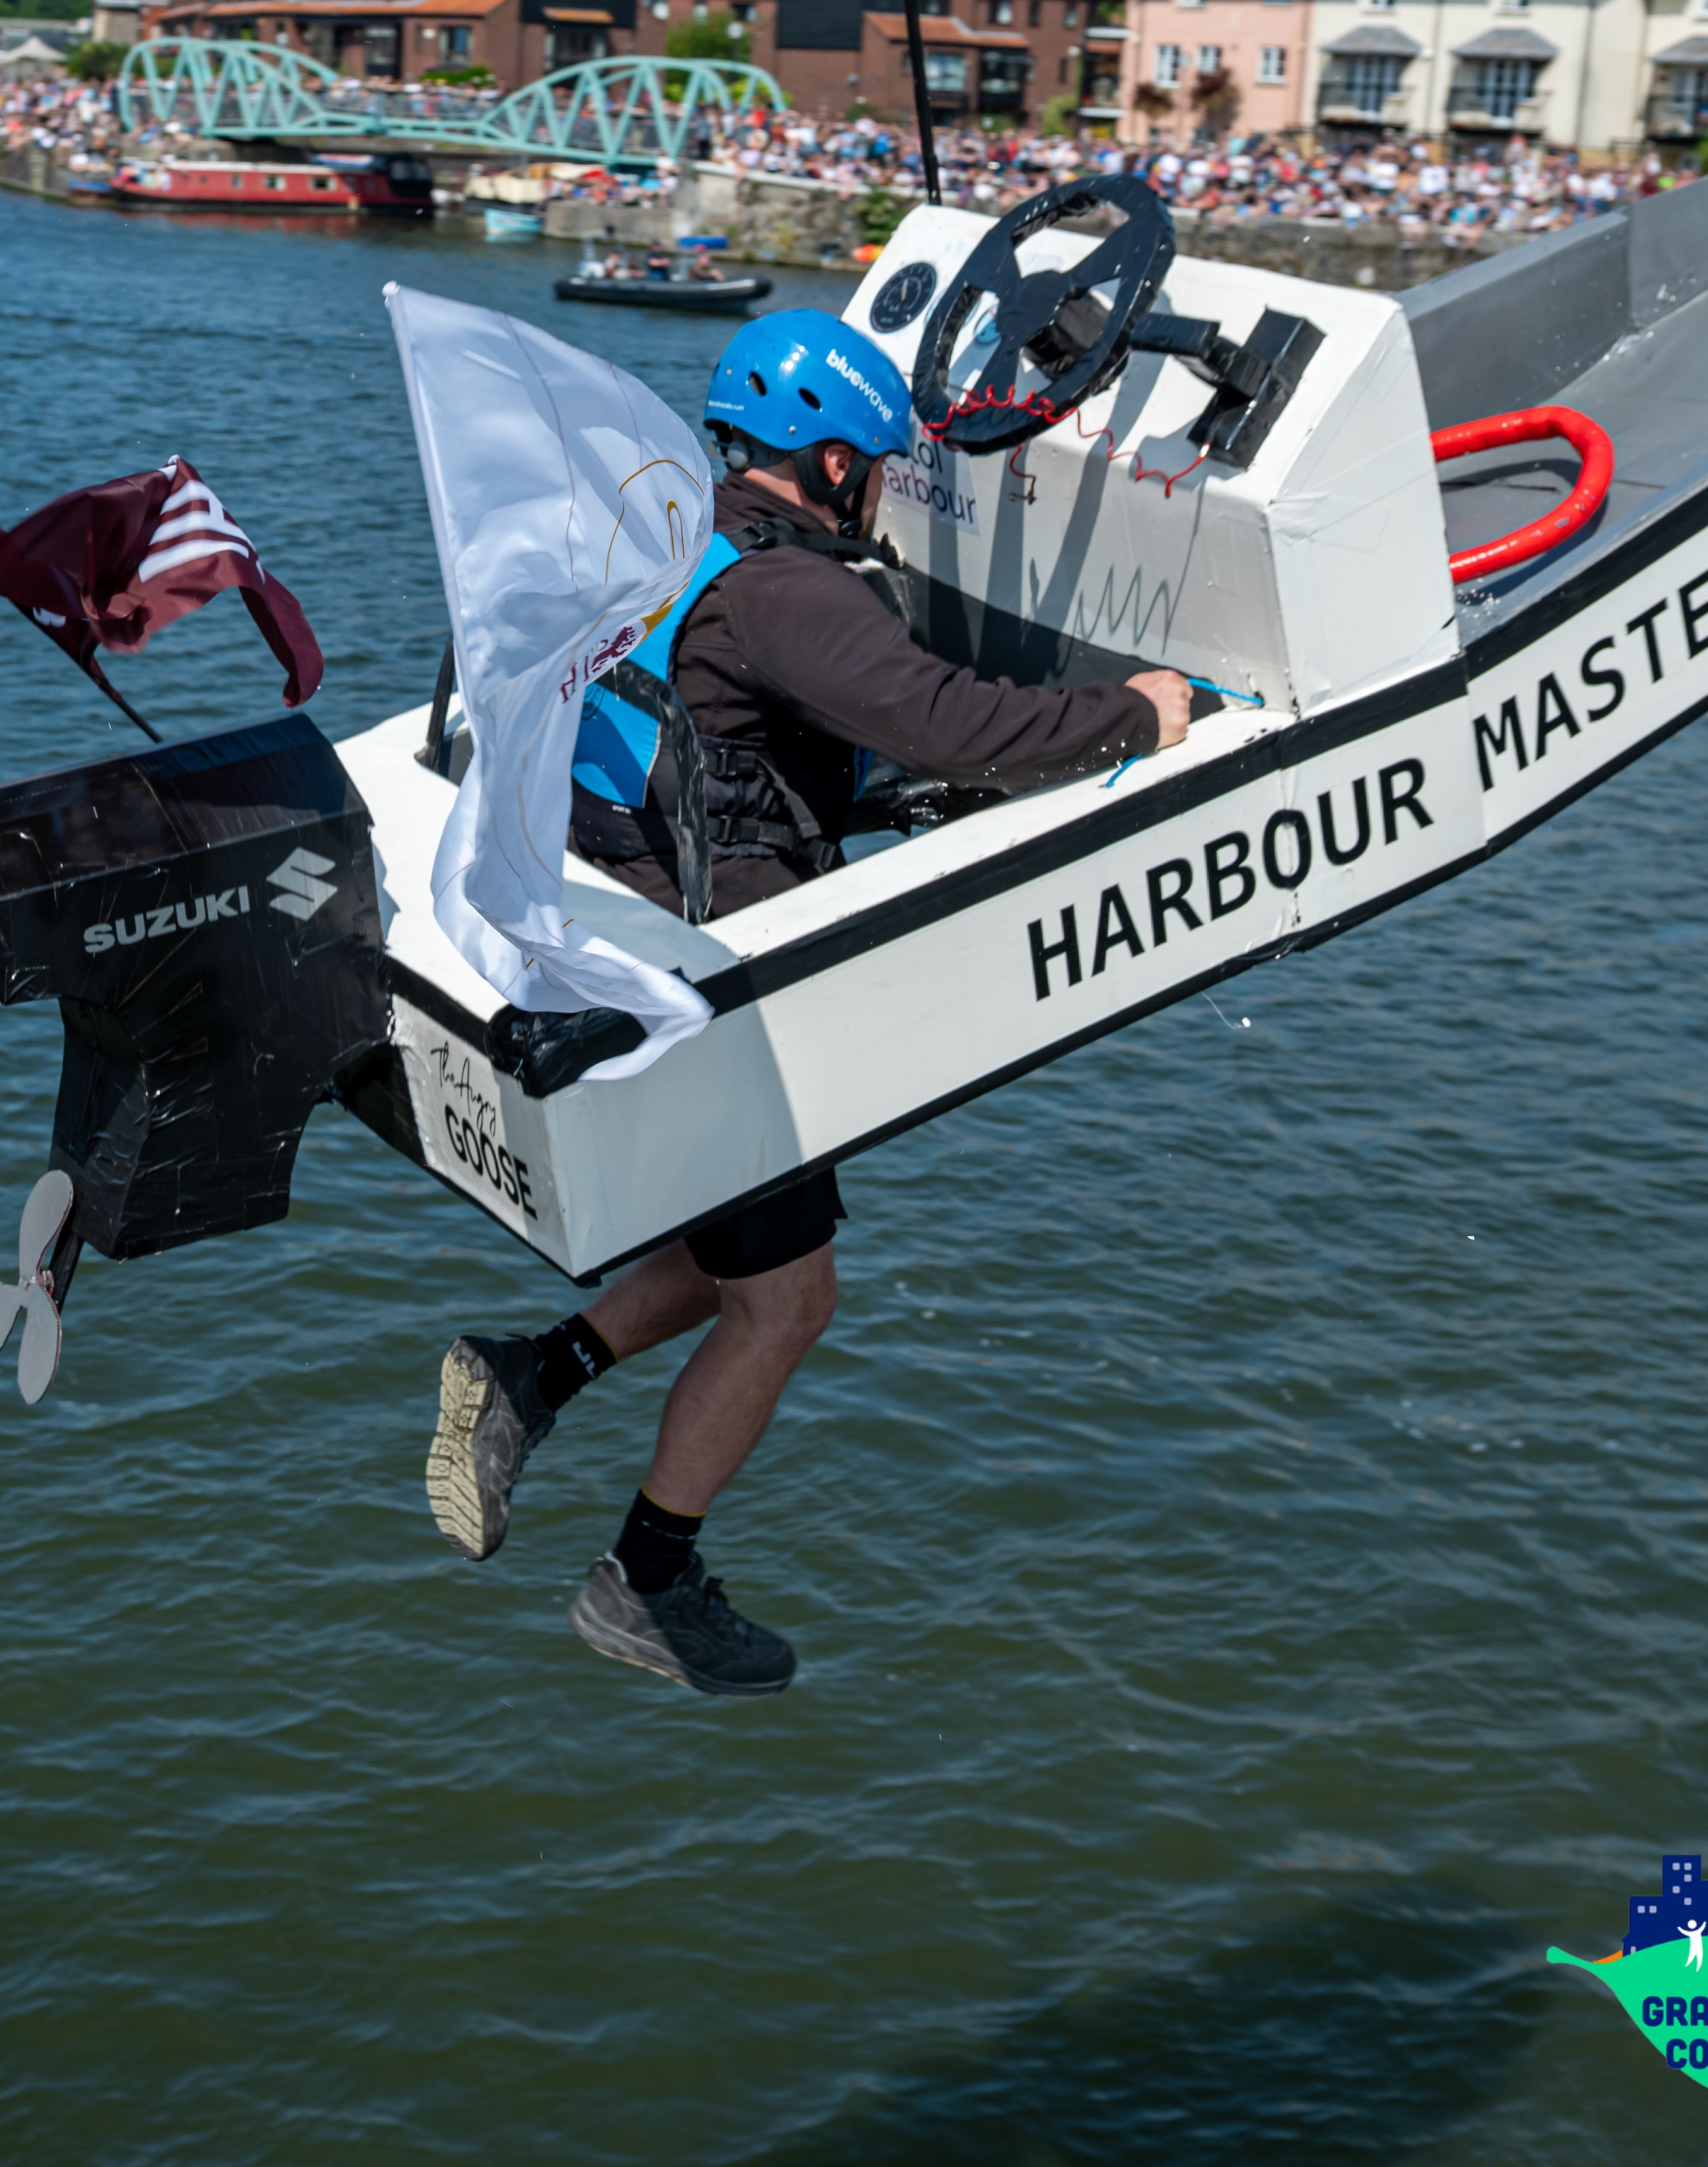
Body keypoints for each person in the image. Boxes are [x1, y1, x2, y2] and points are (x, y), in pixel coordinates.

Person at [425, 310, 1199, 1696]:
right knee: (789, 1300)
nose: (888, 491)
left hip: (626, 931)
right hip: (724, 985)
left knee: (728, 1251)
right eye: (881, 469)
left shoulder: (663, 532)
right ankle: (645, 1580)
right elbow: (957, 726)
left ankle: (528, 1380)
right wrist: (1136, 713)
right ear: (835, 463)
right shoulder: (789, 595)